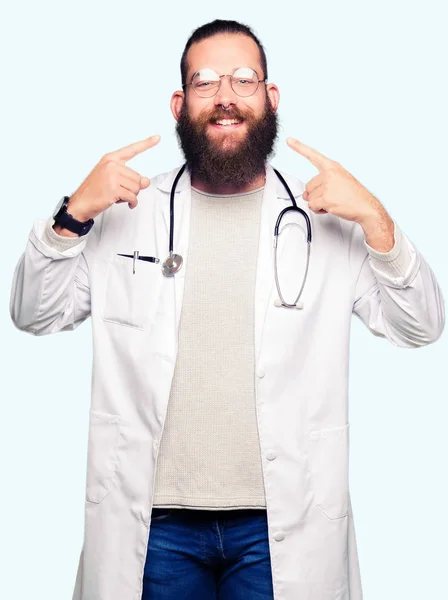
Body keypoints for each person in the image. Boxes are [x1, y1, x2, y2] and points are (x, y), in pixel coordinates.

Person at [9, 18, 445, 600]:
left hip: (278, 526)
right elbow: (33, 313)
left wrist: (378, 222)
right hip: (155, 525)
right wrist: (72, 216)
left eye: (243, 80)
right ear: (178, 103)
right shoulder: (124, 212)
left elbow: (421, 325)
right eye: (205, 81)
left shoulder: (324, 221)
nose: (225, 99)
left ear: (270, 97)